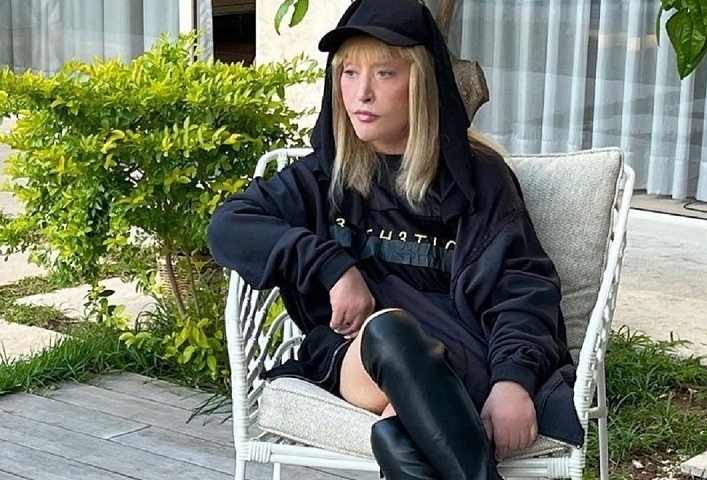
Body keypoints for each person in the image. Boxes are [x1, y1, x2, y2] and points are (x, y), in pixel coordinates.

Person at [207, 0, 583, 478]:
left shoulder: (477, 179)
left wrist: (513, 379)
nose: (361, 93)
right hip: (359, 358)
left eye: (384, 74)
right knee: (389, 333)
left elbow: (521, 288)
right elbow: (229, 226)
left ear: (420, 83)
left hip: (461, 359)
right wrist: (332, 267)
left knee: (398, 434)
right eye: (348, 73)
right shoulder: (323, 177)